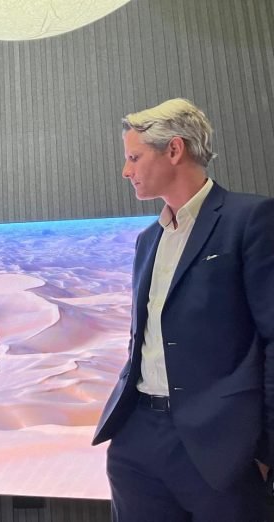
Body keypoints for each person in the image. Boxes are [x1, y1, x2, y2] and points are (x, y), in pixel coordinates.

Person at [92, 98, 274, 521]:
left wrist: (266, 451)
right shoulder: (147, 241)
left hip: (221, 445)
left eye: (134, 157)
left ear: (174, 150)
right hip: (137, 438)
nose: (126, 171)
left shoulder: (251, 219)